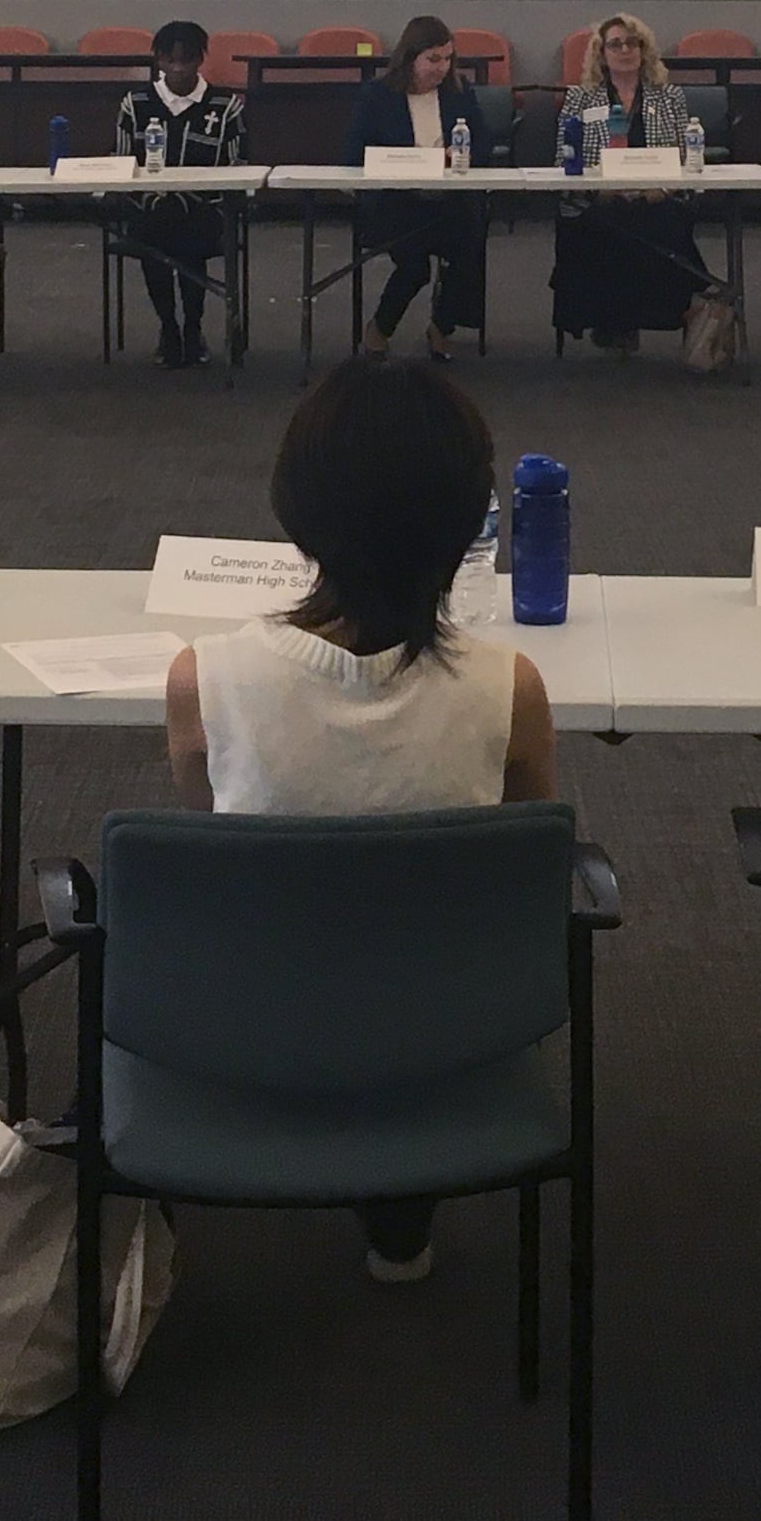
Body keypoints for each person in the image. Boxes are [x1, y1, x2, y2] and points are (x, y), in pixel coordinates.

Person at [160, 359, 558, 1282]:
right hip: (449, 1031)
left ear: (294, 506)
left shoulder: (203, 679)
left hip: (249, 1015)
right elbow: (528, 866)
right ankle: (401, 1190)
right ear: (469, 520)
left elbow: (223, 843)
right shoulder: (511, 691)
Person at [548, 13, 712, 353]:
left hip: (656, 197)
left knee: (661, 224)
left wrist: (662, 190)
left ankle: (648, 316)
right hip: (599, 200)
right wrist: (599, 190)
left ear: (644, 50)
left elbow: (686, 159)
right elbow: (563, 161)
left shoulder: (670, 97)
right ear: (601, 54)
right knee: (601, 225)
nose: (625, 50)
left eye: (632, 43)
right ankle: (616, 320)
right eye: (616, 44)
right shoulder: (581, 98)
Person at [344, 16, 493, 359]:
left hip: (450, 200)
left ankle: (442, 326)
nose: (442, 68)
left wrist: (459, 155)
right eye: (434, 59)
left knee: (470, 251)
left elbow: (483, 144)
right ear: (410, 58)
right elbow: (353, 153)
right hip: (398, 201)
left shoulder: (459, 92)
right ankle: (380, 328)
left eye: (448, 58)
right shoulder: (377, 96)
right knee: (415, 267)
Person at [111, 20, 246, 369]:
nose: (178, 69)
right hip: (149, 209)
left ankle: (192, 328)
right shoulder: (135, 103)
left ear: (200, 61)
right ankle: (169, 327)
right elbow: (122, 163)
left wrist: (192, 197)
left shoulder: (226, 105)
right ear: (158, 61)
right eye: (170, 61)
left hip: (205, 212)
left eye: (186, 61)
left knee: (187, 240)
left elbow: (238, 166)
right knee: (156, 234)